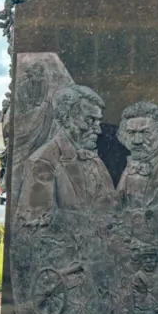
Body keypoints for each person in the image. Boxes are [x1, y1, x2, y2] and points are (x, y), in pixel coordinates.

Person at [19, 85, 115, 225]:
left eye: (98, 121)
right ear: (66, 119)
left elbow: (113, 209)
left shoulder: (95, 160)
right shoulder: (41, 162)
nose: (98, 130)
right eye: (90, 120)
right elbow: (36, 225)